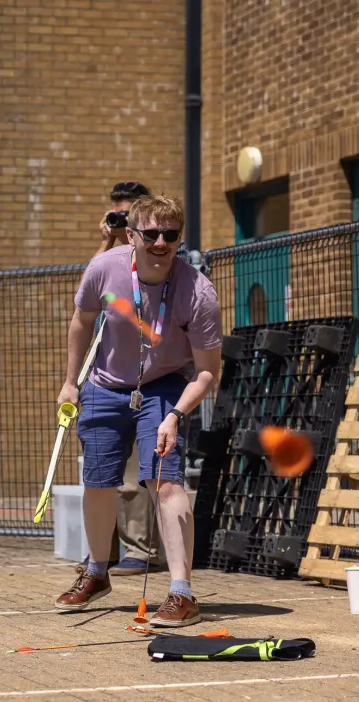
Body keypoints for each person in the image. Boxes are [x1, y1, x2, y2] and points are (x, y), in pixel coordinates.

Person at [55, 195, 222, 627]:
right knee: (98, 481)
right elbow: (81, 321)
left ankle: (182, 592)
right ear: (131, 235)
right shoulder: (105, 268)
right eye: (151, 234)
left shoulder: (198, 292)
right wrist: (71, 383)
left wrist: (175, 414)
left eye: (171, 235)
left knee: (165, 482)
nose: (162, 242)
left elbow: (206, 373)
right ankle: (96, 571)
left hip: (165, 384)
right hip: (106, 385)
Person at [76, 181, 165, 578]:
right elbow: (85, 301)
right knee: (100, 475)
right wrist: (107, 241)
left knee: (134, 476)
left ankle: (139, 549)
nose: (121, 221)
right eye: (117, 215)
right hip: (107, 374)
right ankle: (100, 553)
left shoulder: (155, 250)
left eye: (127, 215)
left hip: (145, 376)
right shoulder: (108, 257)